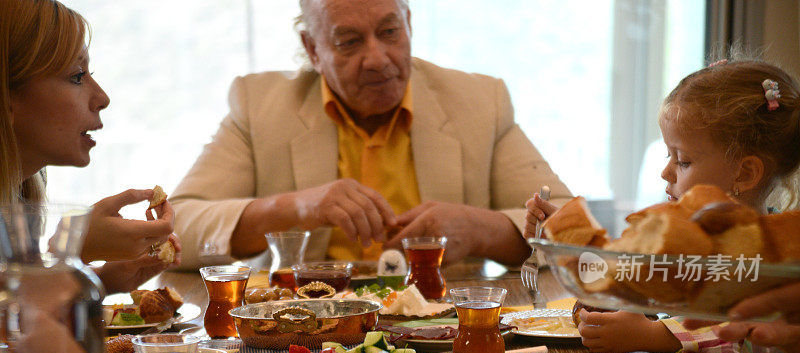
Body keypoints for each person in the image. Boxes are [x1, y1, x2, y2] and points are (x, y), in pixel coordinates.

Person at [169, 0, 571, 269]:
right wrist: (300, 207)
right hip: (307, 336)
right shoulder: (259, 105)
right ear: (312, 49)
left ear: (409, 24)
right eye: (350, 41)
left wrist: (482, 230)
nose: (378, 59)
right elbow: (176, 228)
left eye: (390, 32)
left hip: (445, 334)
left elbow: (570, 226)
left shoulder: (481, 101)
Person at [547, 59, 800, 353]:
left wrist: (652, 334)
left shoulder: (765, 256)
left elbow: (734, 331)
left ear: (744, 173)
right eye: (669, 155)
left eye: (682, 160)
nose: (666, 171)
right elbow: (669, 284)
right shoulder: (700, 244)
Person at [1, 0, 180, 293]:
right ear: (7, 97)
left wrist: (102, 280)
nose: (103, 98)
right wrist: (71, 250)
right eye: (76, 76)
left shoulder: (20, 196)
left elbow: (14, 312)